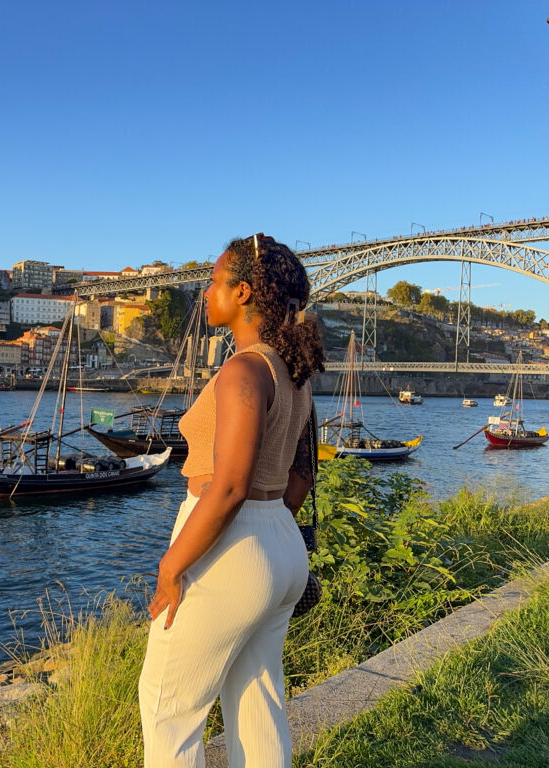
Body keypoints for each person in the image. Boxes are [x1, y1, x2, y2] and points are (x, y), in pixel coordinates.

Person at [139, 234, 326, 768]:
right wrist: (269, 535)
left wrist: (172, 565)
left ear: (243, 292)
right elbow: (302, 473)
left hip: (230, 540)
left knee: (166, 707)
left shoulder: (243, 371)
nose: (204, 292)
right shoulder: (293, 371)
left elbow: (227, 486)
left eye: (215, 281)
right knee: (256, 701)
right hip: (278, 542)